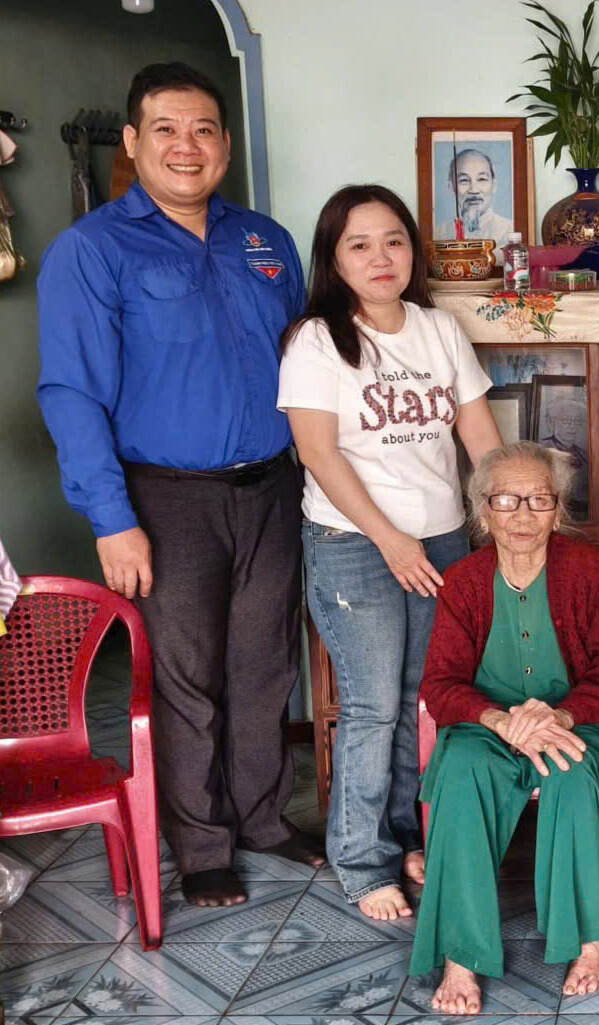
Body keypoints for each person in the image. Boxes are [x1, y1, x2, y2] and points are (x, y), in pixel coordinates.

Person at [36, 62, 323, 908]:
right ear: (132, 142)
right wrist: (110, 517)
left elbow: (311, 363)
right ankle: (202, 844)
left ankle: (263, 817)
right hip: (165, 498)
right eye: (165, 128)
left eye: (202, 129)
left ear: (226, 144)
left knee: (266, 664)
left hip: (273, 489)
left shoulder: (265, 240)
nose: (185, 146)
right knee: (185, 676)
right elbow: (71, 392)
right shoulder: (92, 250)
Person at [277, 184, 503, 920]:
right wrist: (390, 538)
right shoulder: (317, 340)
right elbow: (317, 453)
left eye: (394, 241)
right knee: (373, 706)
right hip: (354, 544)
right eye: (360, 244)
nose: (381, 257)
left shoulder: (438, 329)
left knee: (417, 699)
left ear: (414, 251)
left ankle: (405, 836)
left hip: (441, 540)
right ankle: (361, 861)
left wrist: (506, 511)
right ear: (334, 259)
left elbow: (479, 435)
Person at [409, 441, 599, 1014]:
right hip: (487, 727)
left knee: (569, 770)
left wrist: (562, 715)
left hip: (577, 721)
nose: (522, 514)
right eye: (506, 500)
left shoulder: (587, 572)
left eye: (539, 500)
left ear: (558, 510)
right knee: (462, 772)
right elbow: (441, 683)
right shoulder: (464, 581)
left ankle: (588, 943)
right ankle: (460, 956)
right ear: (482, 510)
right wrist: (497, 719)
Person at [434, 148, 513, 250]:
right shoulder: (439, 234)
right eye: (464, 180)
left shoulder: (509, 231)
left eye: (482, 179)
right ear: (451, 187)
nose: (474, 190)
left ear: (494, 185)